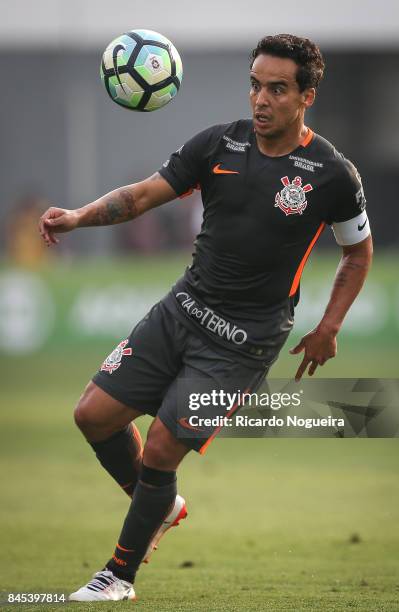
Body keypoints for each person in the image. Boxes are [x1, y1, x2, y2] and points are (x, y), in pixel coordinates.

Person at [38, 34, 372, 602]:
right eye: (255, 85)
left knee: (163, 445)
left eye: (277, 89)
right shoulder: (219, 144)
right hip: (182, 310)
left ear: (306, 96)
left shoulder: (332, 175)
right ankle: (161, 505)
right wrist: (76, 217)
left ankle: (118, 575)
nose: (260, 99)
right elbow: (141, 196)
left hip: (244, 342)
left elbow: (357, 253)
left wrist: (329, 326)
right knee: (93, 416)